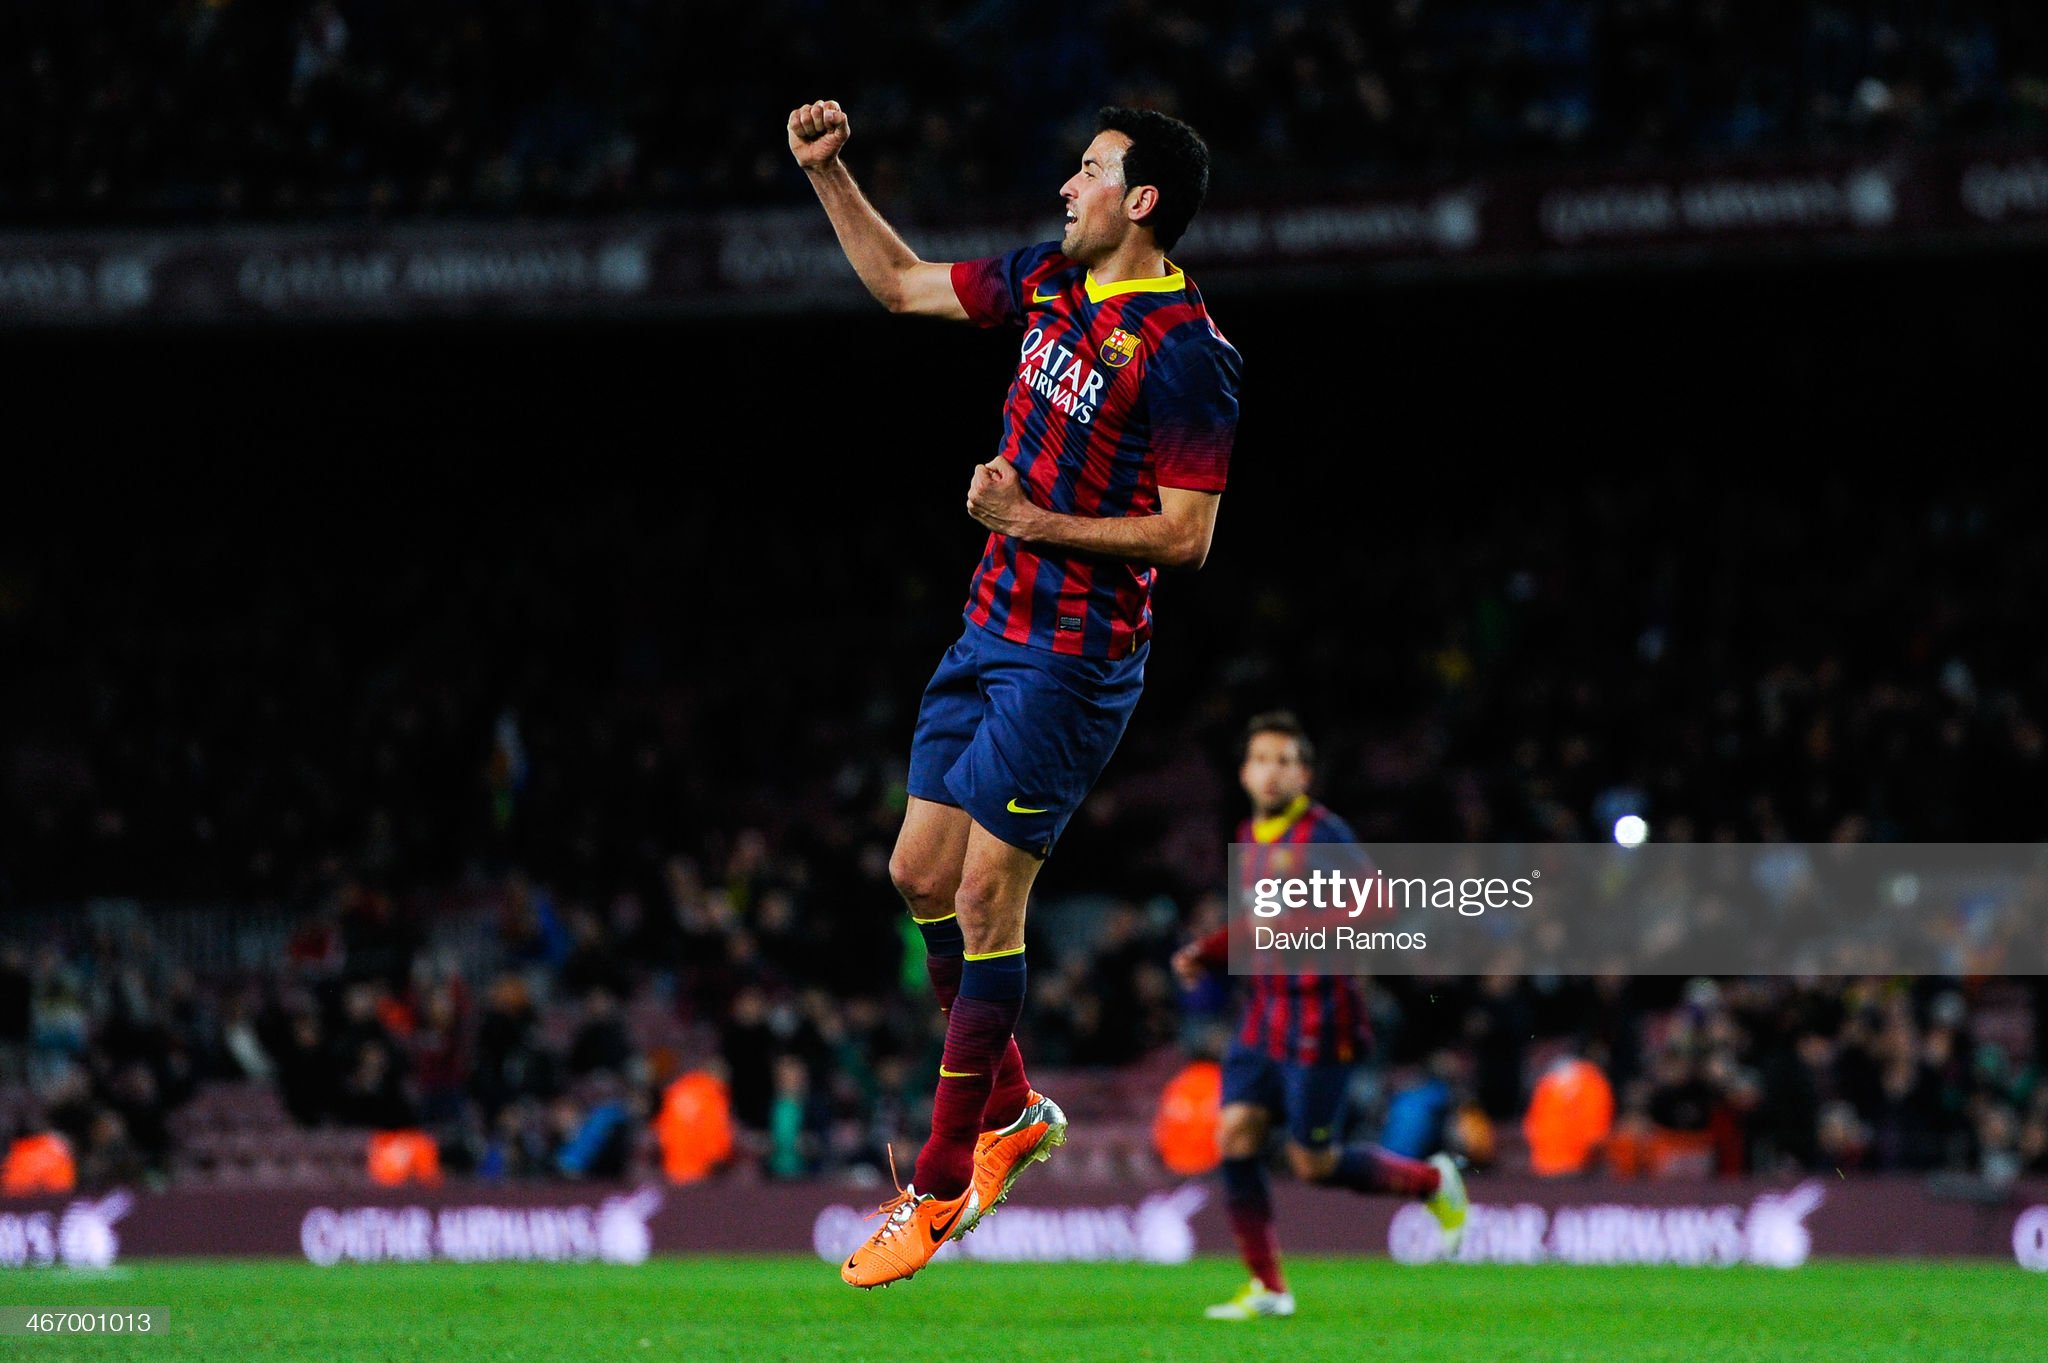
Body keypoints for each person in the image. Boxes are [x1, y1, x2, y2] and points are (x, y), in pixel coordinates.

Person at [787, 97, 1241, 1289]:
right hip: (988, 629)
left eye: (1087, 172)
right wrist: (829, 174)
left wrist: (1028, 519)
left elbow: (1187, 539)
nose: (1064, 188)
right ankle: (1015, 1111)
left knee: (987, 894)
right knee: (914, 876)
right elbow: (900, 287)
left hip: (1077, 657)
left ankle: (938, 1188)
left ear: (1139, 201)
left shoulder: (1189, 353)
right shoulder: (1045, 279)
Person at [1172, 711, 1468, 1320]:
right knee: (1234, 1134)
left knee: (1314, 1163)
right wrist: (1205, 951)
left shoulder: (1323, 833)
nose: (1271, 772)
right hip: (1263, 1011)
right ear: (1245, 772)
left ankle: (1431, 1183)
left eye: (1284, 761)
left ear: (1304, 773)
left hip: (1320, 1013)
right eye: (1261, 760)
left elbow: (1380, 904)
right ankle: (1269, 1288)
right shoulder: (1250, 838)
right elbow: (1260, 924)